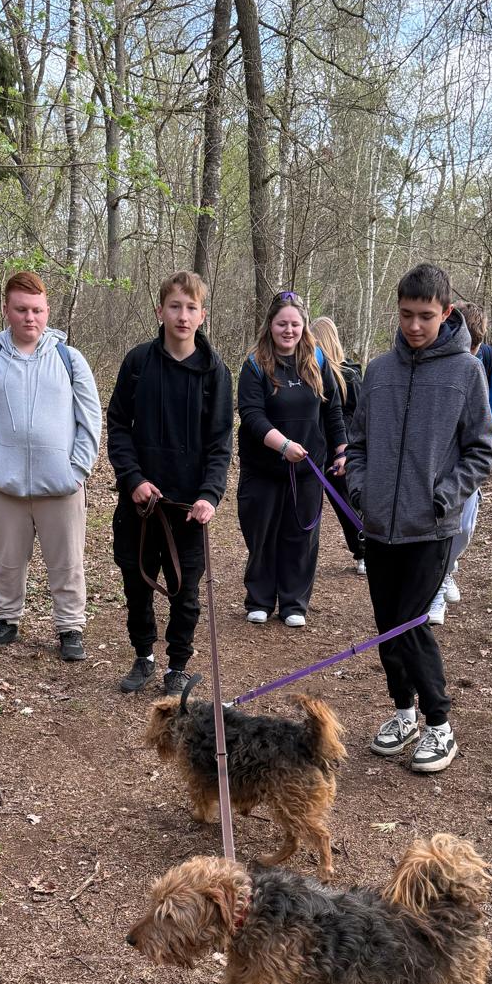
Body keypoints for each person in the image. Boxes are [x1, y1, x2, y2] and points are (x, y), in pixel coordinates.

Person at [344, 263, 492, 774]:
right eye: (406, 314)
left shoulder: (466, 372)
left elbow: (482, 449)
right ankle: (403, 713)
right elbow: (358, 443)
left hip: (431, 528)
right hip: (378, 527)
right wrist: (362, 491)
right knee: (388, 626)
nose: (414, 325)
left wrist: (444, 497)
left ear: (446, 313)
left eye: (425, 316)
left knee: (411, 623)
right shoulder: (379, 371)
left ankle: (440, 724)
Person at [0, 270, 102, 661]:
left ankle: (70, 628)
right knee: (7, 560)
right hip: (5, 485)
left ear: (47, 311)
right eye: (21, 309)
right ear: (6, 309)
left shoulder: (69, 360)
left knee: (68, 562)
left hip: (62, 485)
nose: (30, 317)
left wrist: (77, 470)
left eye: (37, 310)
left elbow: (90, 420)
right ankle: (7, 620)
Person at [106, 271, 234, 694]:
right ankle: (143, 656)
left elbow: (220, 443)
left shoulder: (216, 373)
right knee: (137, 583)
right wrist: (133, 479)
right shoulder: (137, 364)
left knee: (186, 592)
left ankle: (177, 665)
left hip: (188, 510)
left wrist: (209, 495)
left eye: (191, 308)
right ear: (160, 311)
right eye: (175, 306)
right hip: (140, 505)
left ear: (202, 315)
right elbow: (118, 426)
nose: (182, 316)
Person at [236, 292, 347, 628]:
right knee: (262, 535)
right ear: (270, 325)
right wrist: (282, 445)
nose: (288, 330)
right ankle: (259, 599)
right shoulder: (255, 364)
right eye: (282, 324)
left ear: (304, 326)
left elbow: (332, 409)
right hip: (263, 468)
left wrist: (342, 449)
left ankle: (293, 602)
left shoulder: (317, 361)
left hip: (308, 469)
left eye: (295, 324)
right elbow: (252, 416)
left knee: (300, 536)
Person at [428, 300, 492, 624]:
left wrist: (482, 446)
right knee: (435, 519)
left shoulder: (489, 360)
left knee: (465, 525)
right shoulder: (436, 356)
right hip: (435, 453)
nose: (469, 355)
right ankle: (435, 588)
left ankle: (448, 568)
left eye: (474, 348)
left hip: (468, 455)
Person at [311, 315, 365, 575]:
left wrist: (346, 450)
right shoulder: (313, 375)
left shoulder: (349, 376)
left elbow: (357, 417)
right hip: (317, 448)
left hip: (342, 451)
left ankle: (364, 550)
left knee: (348, 503)